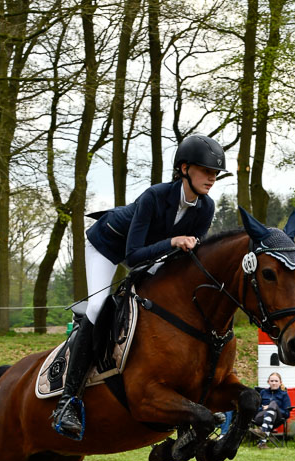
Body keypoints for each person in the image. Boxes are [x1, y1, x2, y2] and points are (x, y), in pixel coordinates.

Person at [51, 134, 226, 439]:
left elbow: (187, 262)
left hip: (152, 252)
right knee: (97, 306)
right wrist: (172, 241)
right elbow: (132, 256)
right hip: (107, 246)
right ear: (184, 168)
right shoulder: (154, 197)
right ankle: (68, 401)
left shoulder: (206, 207)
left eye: (215, 173)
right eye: (206, 171)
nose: (212, 178)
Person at [251, 372, 292, 448]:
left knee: (273, 404)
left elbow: (287, 413)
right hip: (260, 417)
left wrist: (273, 408)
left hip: (277, 419)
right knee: (271, 410)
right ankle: (263, 441)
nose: (274, 383)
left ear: (280, 382)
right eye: (272, 381)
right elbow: (256, 408)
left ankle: (262, 432)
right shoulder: (263, 392)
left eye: (276, 381)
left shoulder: (284, 394)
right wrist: (263, 408)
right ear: (268, 382)